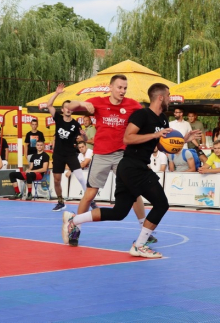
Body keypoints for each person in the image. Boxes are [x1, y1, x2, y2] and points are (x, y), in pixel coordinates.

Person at [62, 83, 201, 258]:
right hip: (132, 166)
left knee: (119, 212)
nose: (169, 98)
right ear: (160, 97)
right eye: (168, 95)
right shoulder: (141, 115)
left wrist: (182, 140)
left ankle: (74, 220)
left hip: (135, 167)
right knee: (161, 204)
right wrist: (154, 135)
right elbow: (128, 138)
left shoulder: (163, 119)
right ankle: (140, 245)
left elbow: (161, 145)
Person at [63, 74, 156, 246]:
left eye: (125, 88)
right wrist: (83, 104)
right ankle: (75, 227)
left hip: (123, 155)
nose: (122, 91)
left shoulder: (132, 105)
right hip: (101, 154)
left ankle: (144, 228)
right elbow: (69, 106)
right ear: (110, 88)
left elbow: (147, 117)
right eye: (119, 87)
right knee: (90, 194)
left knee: (134, 192)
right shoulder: (98, 102)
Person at [47, 84, 88, 212]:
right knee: (57, 180)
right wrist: (56, 93)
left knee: (81, 177)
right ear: (63, 110)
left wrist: (84, 136)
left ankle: (90, 200)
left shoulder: (76, 124)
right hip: (58, 154)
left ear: (72, 110)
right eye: (66, 107)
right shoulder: (58, 118)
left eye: (70, 108)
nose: (68, 109)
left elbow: (84, 140)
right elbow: (49, 105)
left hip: (70, 153)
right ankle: (60, 201)